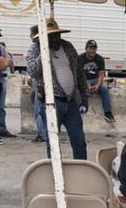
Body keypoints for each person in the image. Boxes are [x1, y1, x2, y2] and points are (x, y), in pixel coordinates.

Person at [26, 18, 89, 160]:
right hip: (51, 103)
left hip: (71, 102)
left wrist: (84, 96)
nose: (55, 39)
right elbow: (33, 72)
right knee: (53, 142)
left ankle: (81, 171)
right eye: (51, 36)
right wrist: (44, 51)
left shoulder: (67, 46)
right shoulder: (35, 48)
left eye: (57, 35)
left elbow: (78, 71)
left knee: (79, 141)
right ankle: (56, 174)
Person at [79, 39, 115, 124]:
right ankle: (80, 111)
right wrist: (86, 85)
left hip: (95, 80)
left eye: (94, 48)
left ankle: (108, 113)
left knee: (105, 89)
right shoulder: (80, 58)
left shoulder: (100, 59)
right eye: (91, 48)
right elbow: (79, 75)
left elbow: (101, 74)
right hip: (84, 79)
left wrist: (98, 85)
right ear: (86, 48)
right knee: (79, 91)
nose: (93, 50)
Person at [27, 25, 48, 143]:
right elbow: (33, 70)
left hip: (42, 84)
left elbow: (33, 70)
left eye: (31, 33)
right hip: (39, 83)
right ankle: (44, 134)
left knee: (39, 110)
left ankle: (43, 134)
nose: (29, 36)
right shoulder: (35, 48)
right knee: (39, 109)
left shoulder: (35, 48)